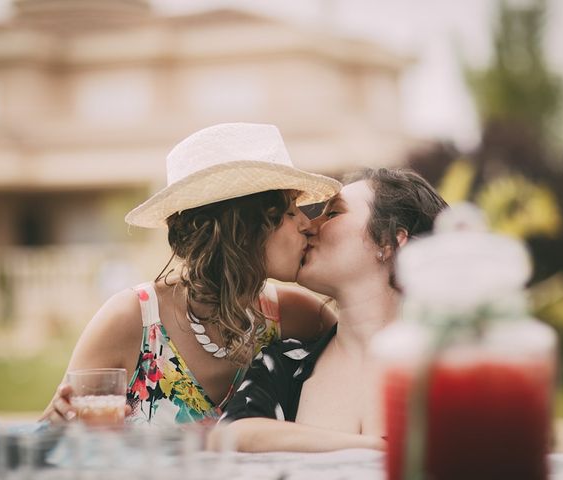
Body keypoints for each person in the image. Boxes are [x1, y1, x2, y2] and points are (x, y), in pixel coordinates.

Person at [41, 123, 341, 426]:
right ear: (240, 229)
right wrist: (58, 423)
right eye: (289, 212)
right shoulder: (132, 319)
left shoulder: (297, 317)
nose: (308, 224)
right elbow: (52, 445)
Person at [217, 167, 448, 451]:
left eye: (334, 213)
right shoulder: (285, 361)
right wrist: (382, 449)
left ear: (389, 241)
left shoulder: (454, 365)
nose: (310, 225)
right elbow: (228, 437)